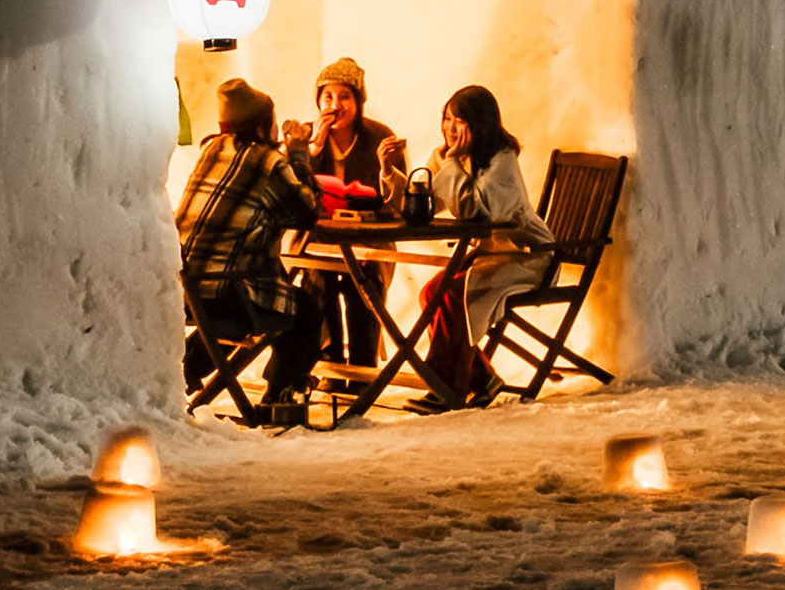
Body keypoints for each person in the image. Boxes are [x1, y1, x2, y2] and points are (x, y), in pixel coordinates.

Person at [177, 79, 323, 410]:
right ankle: (280, 396)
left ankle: (185, 372)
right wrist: (299, 151)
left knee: (237, 304)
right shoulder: (268, 163)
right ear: (262, 125)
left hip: (186, 290)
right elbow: (307, 212)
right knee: (303, 310)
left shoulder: (212, 149)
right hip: (229, 292)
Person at [417, 85, 553, 405]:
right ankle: (483, 377)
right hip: (494, 256)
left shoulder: (502, 161)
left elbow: (478, 212)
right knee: (431, 293)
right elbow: (431, 203)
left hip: (527, 258)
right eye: (447, 118)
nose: (450, 128)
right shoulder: (460, 158)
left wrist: (448, 162)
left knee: (452, 294)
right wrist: (391, 174)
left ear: (479, 124)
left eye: (459, 121)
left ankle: (448, 385)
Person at [285, 57, 407, 367]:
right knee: (317, 276)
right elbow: (291, 192)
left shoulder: (379, 137)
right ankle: (330, 359)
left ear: (358, 102)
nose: (335, 105)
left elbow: (396, 203)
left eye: (344, 96)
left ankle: (362, 365)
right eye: (327, 96)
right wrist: (312, 150)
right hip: (319, 238)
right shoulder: (307, 137)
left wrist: (386, 167)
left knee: (363, 280)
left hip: (369, 241)